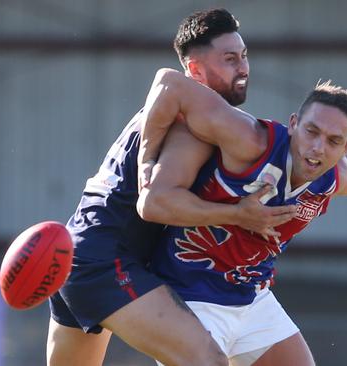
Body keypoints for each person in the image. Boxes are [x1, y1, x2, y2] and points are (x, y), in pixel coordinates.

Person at [136, 68, 347, 366]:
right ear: (294, 123)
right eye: (312, 131)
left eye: (334, 141)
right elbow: (170, 83)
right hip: (189, 292)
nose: (318, 147)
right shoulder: (251, 141)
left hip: (251, 297)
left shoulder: (334, 175)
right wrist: (147, 158)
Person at [46, 9, 297, 366]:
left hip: (77, 251)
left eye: (243, 56)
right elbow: (155, 202)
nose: (243, 68)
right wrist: (239, 215)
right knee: (207, 359)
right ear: (194, 70)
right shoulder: (189, 120)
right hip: (106, 259)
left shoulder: (168, 110)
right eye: (229, 59)